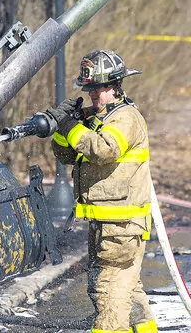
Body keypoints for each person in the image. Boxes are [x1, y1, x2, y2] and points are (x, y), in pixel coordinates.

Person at [47, 50, 158, 333]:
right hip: (108, 226)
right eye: (90, 89)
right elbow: (67, 155)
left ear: (115, 86)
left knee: (108, 294)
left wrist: (71, 126)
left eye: (100, 88)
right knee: (128, 294)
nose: (94, 94)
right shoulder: (97, 119)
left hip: (121, 226)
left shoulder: (125, 119)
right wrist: (63, 126)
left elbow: (103, 149)